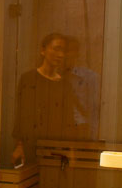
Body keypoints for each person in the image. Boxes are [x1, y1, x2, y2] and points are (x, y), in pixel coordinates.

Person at [11, 32, 78, 167]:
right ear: (43, 50)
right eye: (56, 49)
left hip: (56, 149)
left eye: (63, 51)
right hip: (31, 146)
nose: (60, 55)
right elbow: (22, 114)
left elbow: (69, 121)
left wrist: (70, 150)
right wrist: (19, 145)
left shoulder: (65, 86)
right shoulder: (28, 79)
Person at [63, 37, 101, 140]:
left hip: (82, 132)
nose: (66, 55)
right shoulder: (52, 78)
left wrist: (93, 137)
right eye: (64, 51)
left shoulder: (90, 77)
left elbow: (94, 111)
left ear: (77, 54)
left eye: (70, 51)